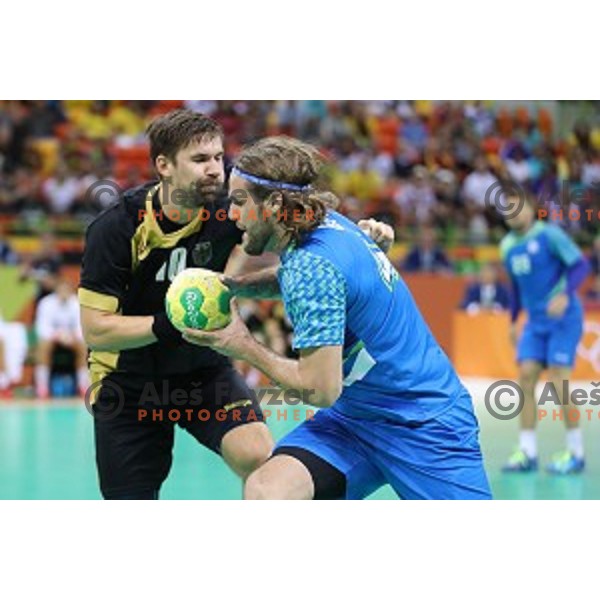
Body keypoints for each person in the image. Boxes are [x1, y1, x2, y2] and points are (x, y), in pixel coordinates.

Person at [78, 109, 394, 500]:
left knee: (260, 457)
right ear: (163, 165)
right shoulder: (117, 228)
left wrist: (364, 240)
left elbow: (303, 217)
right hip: (128, 381)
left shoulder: (229, 205)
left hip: (203, 370)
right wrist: (173, 323)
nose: (214, 169)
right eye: (199, 160)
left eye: (217, 157)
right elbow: (96, 330)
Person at [184, 136, 491, 500]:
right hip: (352, 422)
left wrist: (240, 344)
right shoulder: (325, 225)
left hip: (424, 423)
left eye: (239, 202)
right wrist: (235, 286)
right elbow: (303, 280)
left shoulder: (311, 266)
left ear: (276, 204)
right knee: (268, 493)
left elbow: (321, 389)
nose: (231, 215)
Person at [500, 193, 590, 474]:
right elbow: (515, 289)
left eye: (518, 207)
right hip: (535, 321)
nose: (513, 214)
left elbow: (581, 265)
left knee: (558, 380)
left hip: (564, 316)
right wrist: (513, 320)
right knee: (526, 376)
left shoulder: (550, 234)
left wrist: (565, 294)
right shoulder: (506, 247)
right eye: (507, 210)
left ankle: (576, 452)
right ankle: (527, 451)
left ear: (530, 209)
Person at [35, 279, 89, 399]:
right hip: (52, 339)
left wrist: (71, 337)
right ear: (56, 291)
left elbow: (81, 327)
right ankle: (42, 388)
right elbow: (42, 328)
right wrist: (57, 336)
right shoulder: (46, 303)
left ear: (70, 291)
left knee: (83, 347)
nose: (64, 292)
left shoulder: (77, 303)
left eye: (66, 290)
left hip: (72, 339)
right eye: (61, 290)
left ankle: (83, 386)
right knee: (43, 347)